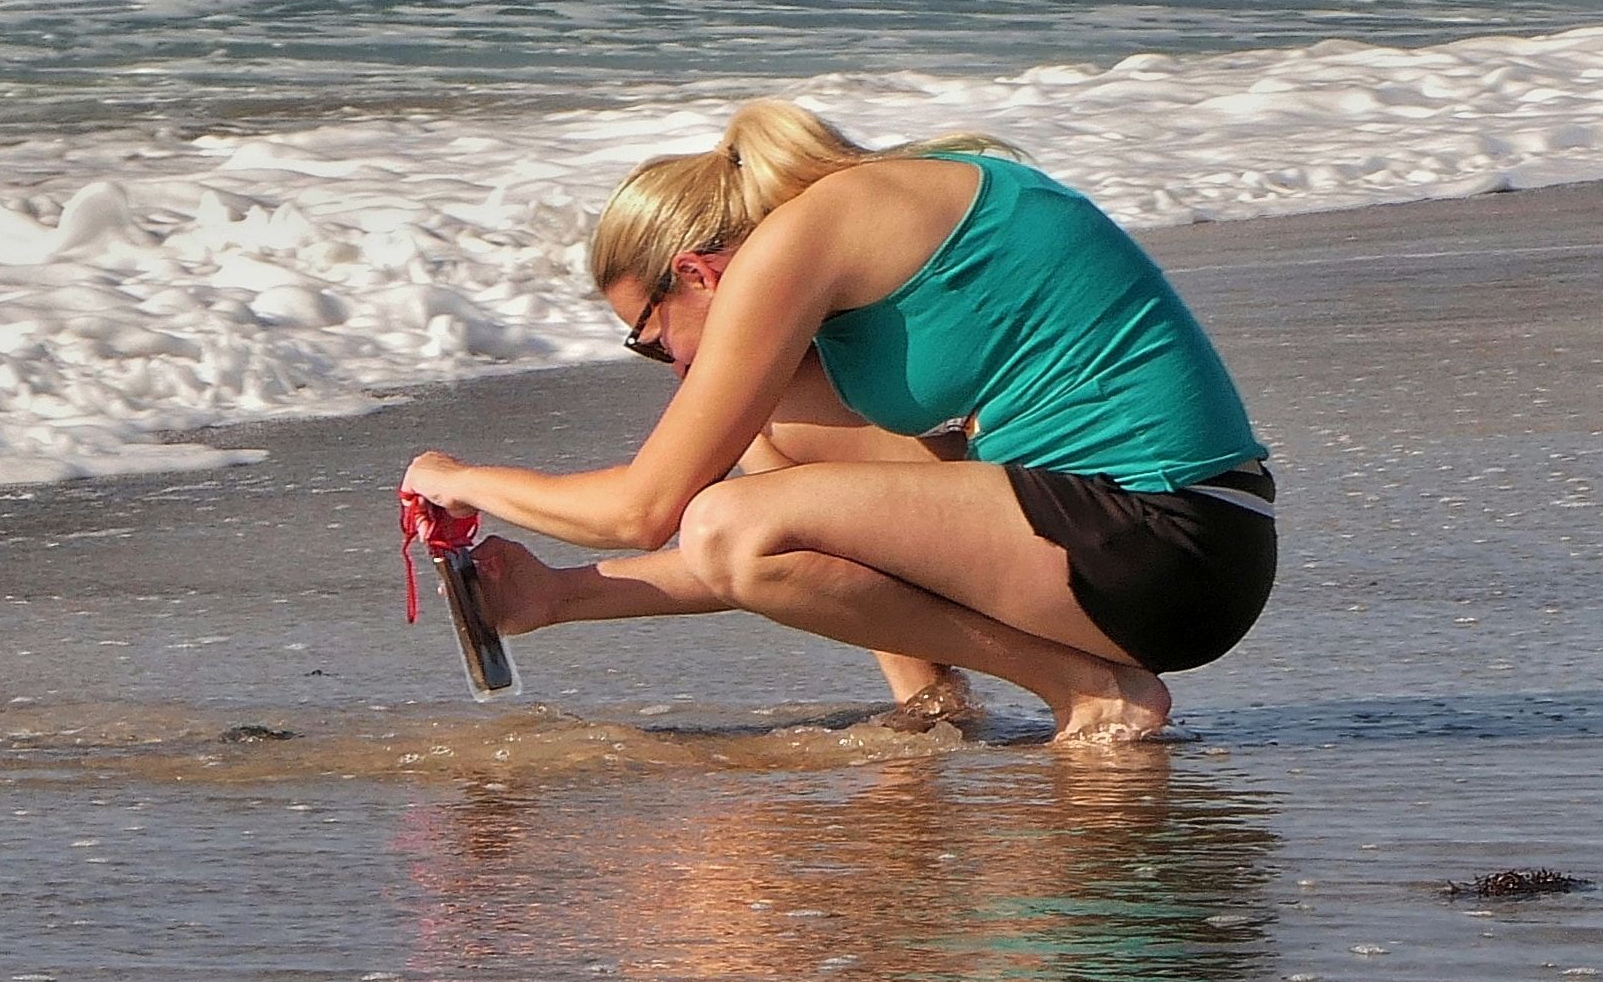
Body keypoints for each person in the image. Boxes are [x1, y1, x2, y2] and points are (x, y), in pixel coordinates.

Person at [398, 99, 1274, 746]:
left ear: (697, 270)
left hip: (1169, 547)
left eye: (648, 333)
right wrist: (558, 595)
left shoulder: (805, 236)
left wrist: (455, 477)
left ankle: (1089, 690)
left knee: (731, 520)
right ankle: (935, 706)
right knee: (767, 446)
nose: (668, 362)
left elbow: (647, 509)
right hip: (1173, 536)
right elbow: (854, 543)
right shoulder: (866, 223)